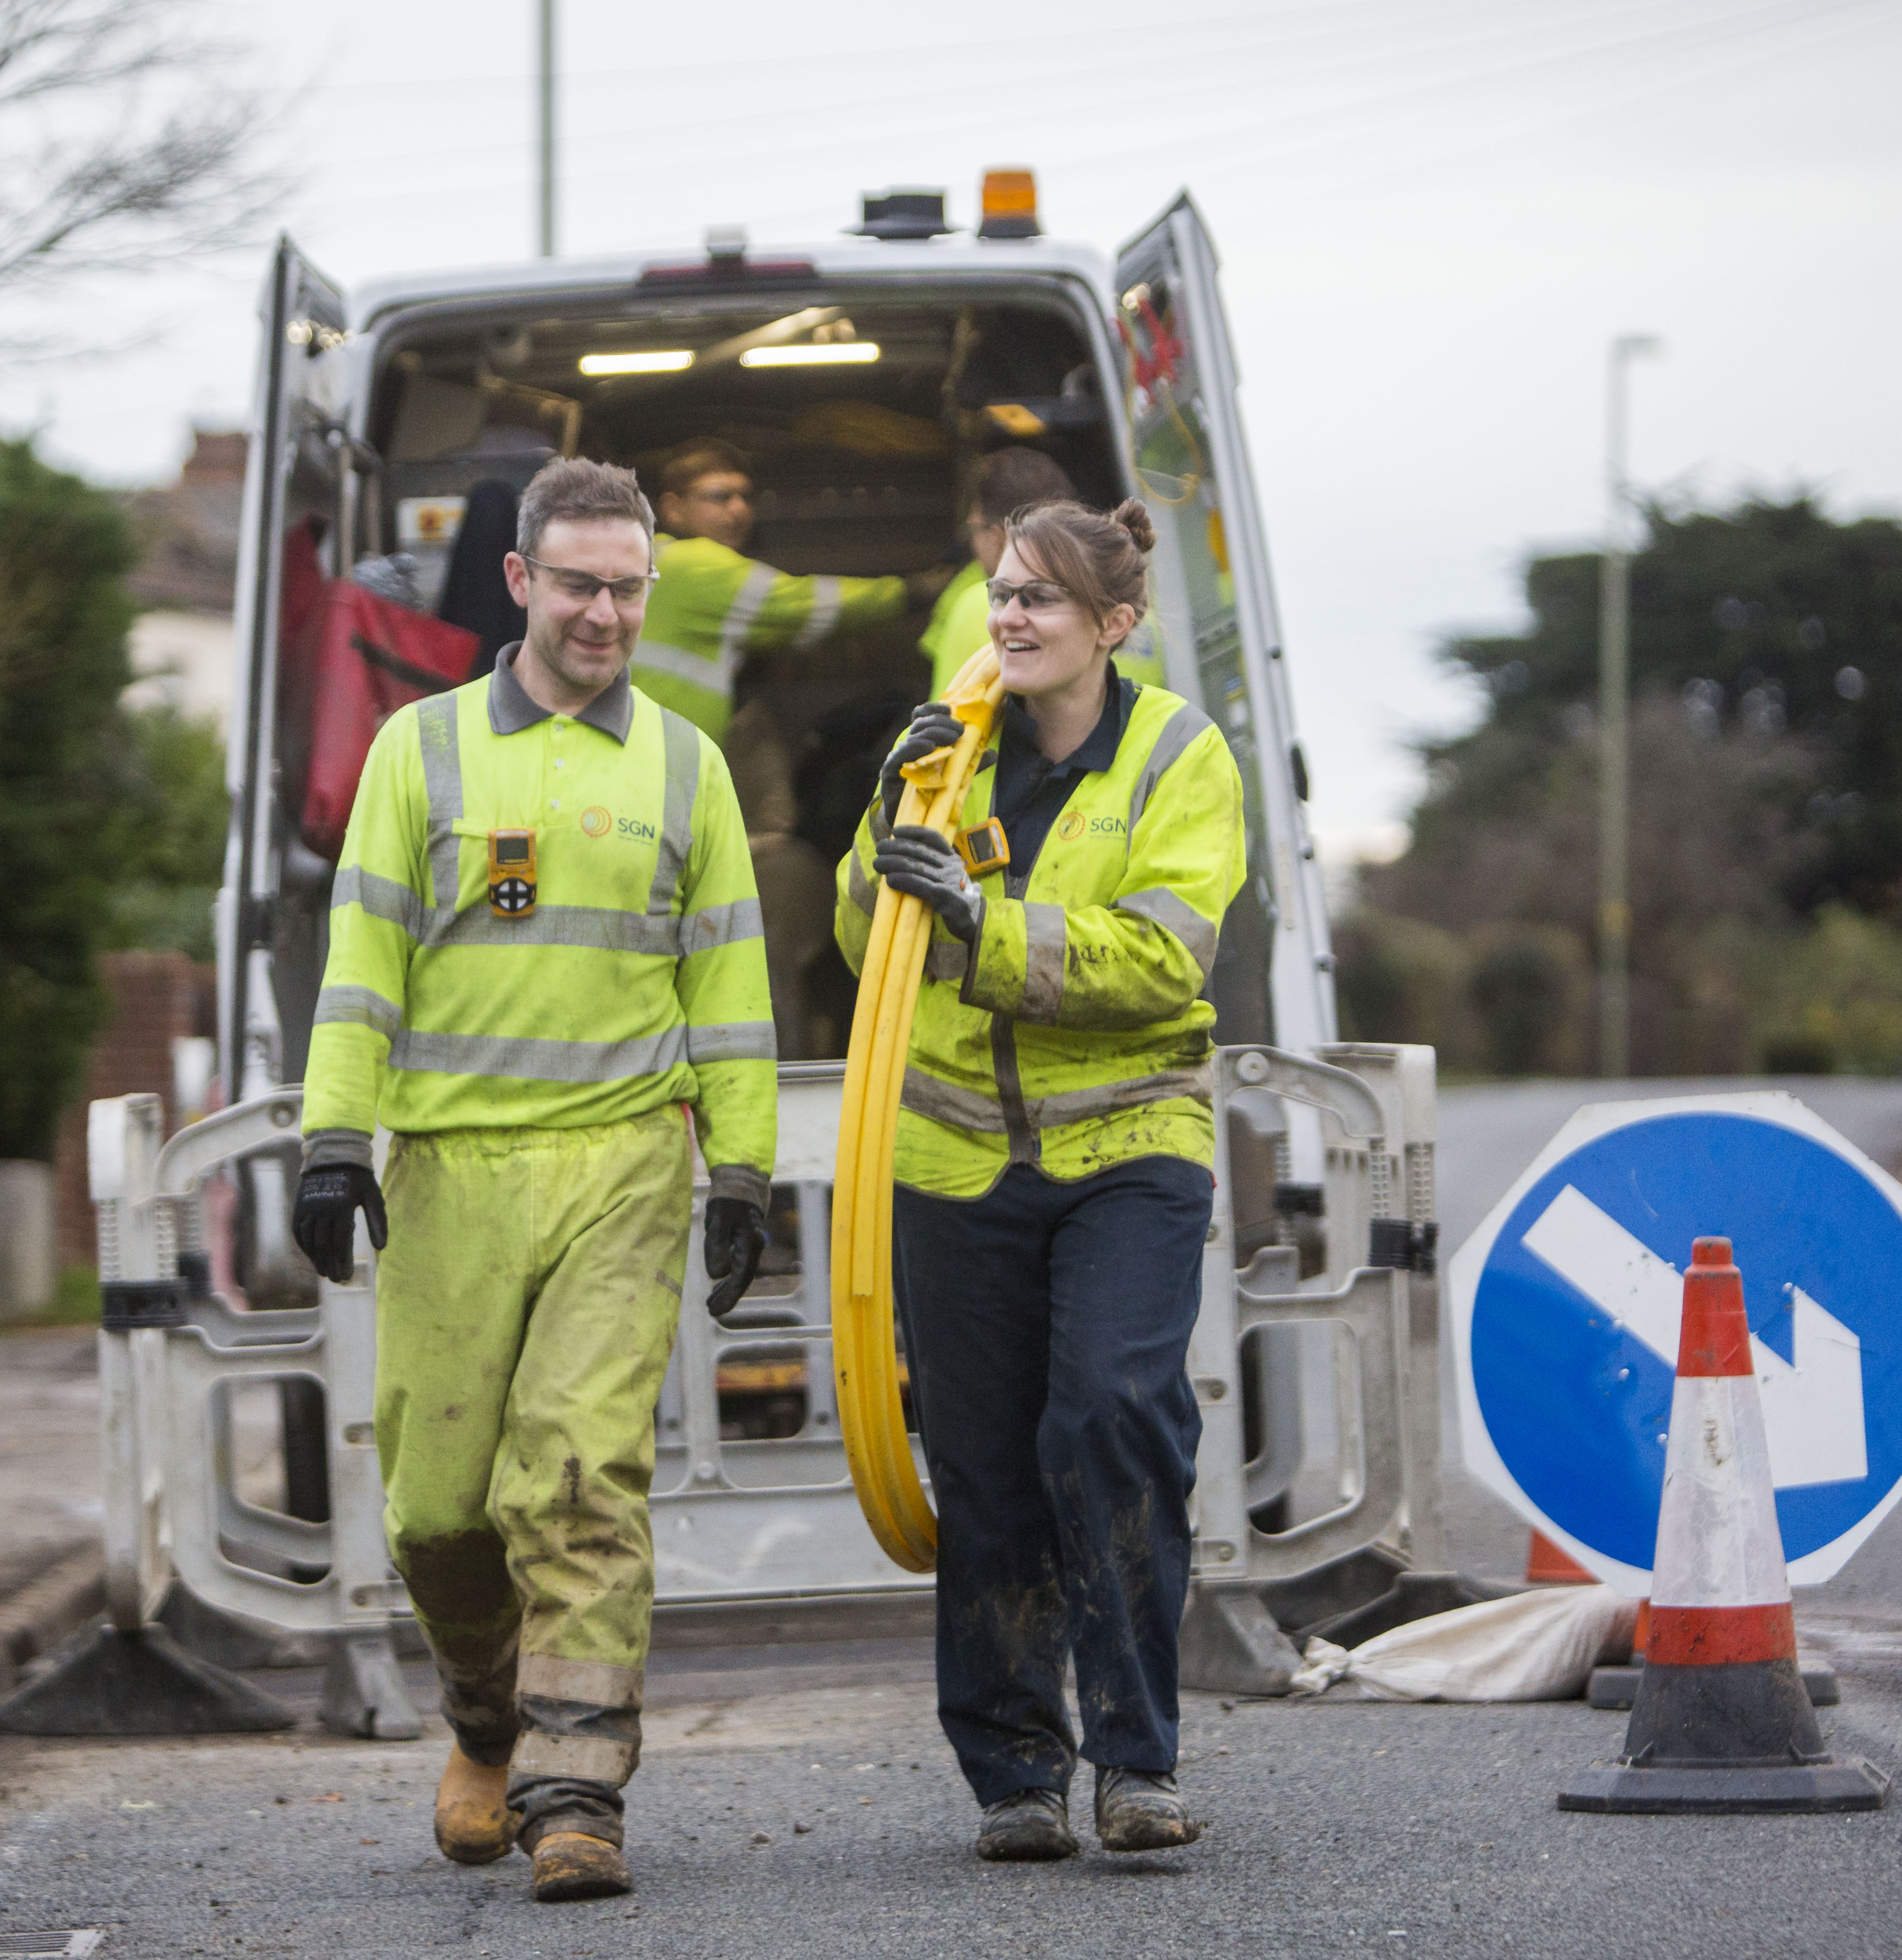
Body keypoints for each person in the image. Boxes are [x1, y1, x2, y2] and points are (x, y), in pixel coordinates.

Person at [294, 456, 779, 1905]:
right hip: (450, 1166)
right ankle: (486, 1722)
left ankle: (578, 1793)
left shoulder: (687, 766)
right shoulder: (420, 752)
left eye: (628, 587)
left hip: (624, 1162)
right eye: (578, 584)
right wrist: (334, 1138)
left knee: (574, 1473)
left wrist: (740, 1166)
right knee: (440, 1510)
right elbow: (364, 960)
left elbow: (733, 985)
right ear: (518, 582)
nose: (606, 613)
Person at [834, 498, 1243, 1863]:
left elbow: (1162, 960)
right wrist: (895, 814)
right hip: (955, 1160)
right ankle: (1016, 1772)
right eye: (1004, 593)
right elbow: (860, 937)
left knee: (1111, 1413)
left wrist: (985, 927)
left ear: (1114, 627)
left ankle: (1136, 1757)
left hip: (1129, 1150)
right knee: (988, 1462)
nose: (1008, 617)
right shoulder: (951, 754)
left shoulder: (1181, 759)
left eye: (1042, 600)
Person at [635, 439, 954, 743]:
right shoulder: (694, 565)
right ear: (672, 509)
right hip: (661, 757)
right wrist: (912, 592)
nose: (739, 510)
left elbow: (776, 631)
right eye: (721, 497)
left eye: (746, 497)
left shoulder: (657, 560)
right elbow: (802, 604)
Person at [919, 447, 1076, 698]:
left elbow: (946, 721)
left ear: (999, 537)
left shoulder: (976, 605)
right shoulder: (1126, 606)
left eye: (975, 531)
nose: (973, 545)